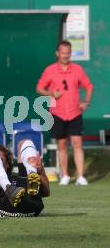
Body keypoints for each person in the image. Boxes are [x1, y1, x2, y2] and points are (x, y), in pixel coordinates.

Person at [37, 40, 93, 186]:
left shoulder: (78, 70)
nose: (65, 56)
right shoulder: (50, 70)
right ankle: (65, 175)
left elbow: (89, 86)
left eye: (68, 53)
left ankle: (81, 176)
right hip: (58, 113)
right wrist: (50, 93)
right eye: (62, 53)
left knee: (77, 143)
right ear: (57, 53)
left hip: (75, 112)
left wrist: (86, 102)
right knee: (62, 145)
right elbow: (39, 88)